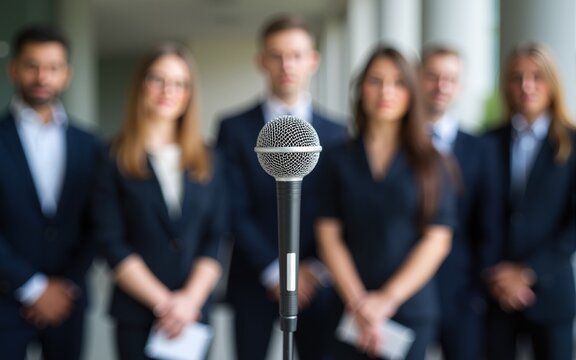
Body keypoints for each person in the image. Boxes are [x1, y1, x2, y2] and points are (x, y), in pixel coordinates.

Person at [216, 14, 347, 360]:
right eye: (276, 55)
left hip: (315, 282)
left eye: (297, 55)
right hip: (254, 278)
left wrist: (312, 270)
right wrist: (275, 271)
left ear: (313, 61)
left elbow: (339, 209)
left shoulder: (338, 133)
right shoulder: (233, 129)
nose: (287, 65)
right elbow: (232, 206)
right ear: (262, 61)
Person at [315, 45, 456, 360]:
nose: (386, 92)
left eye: (398, 82)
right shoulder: (337, 159)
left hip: (409, 310)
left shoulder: (433, 163)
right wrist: (361, 304)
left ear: (412, 92)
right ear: (361, 90)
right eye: (375, 81)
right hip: (347, 307)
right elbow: (328, 237)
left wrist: (386, 300)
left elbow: (437, 240)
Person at [91, 43, 227, 359]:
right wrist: (166, 303)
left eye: (180, 83)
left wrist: (189, 301)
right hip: (138, 313)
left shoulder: (211, 159)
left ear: (190, 93)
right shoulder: (111, 158)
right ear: (141, 85)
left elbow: (216, 236)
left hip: (194, 315)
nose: (169, 90)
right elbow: (111, 243)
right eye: (158, 79)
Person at [0, 24, 100, 359]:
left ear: (67, 74)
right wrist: (33, 287)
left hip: (67, 301)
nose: (43, 76)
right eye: (32, 65)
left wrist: (65, 285)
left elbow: (99, 220)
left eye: (53, 67)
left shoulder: (89, 144)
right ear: (13, 69)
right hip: (4, 297)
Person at [484, 42, 576, 360]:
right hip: (494, 293)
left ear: (552, 83)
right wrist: (498, 276)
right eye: (517, 77)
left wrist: (527, 272)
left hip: (552, 292)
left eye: (537, 76)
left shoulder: (572, 143)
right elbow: (478, 215)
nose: (527, 86)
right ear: (506, 85)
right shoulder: (487, 142)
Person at [419, 46, 502, 360]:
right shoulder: (395, 145)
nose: (441, 85)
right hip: (402, 291)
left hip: (462, 293)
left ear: (460, 86)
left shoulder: (482, 149)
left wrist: (477, 293)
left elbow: (489, 223)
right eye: (432, 76)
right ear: (417, 79)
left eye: (450, 79)